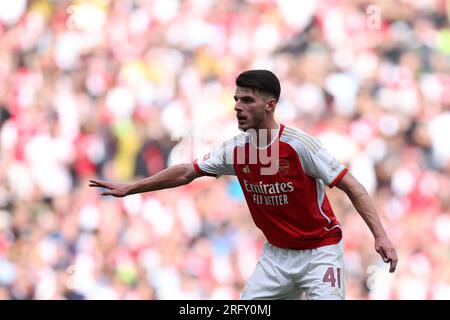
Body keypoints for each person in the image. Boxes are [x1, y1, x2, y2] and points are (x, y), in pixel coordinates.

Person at [89, 69, 398, 300]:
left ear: (270, 105)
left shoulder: (300, 146)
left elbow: (353, 187)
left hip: (320, 252)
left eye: (247, 100)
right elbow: (187, 172)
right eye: (236, 99)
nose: (237, 106)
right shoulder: (235, 149)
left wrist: (380, 236)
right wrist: (131, 188)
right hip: (276, 256)